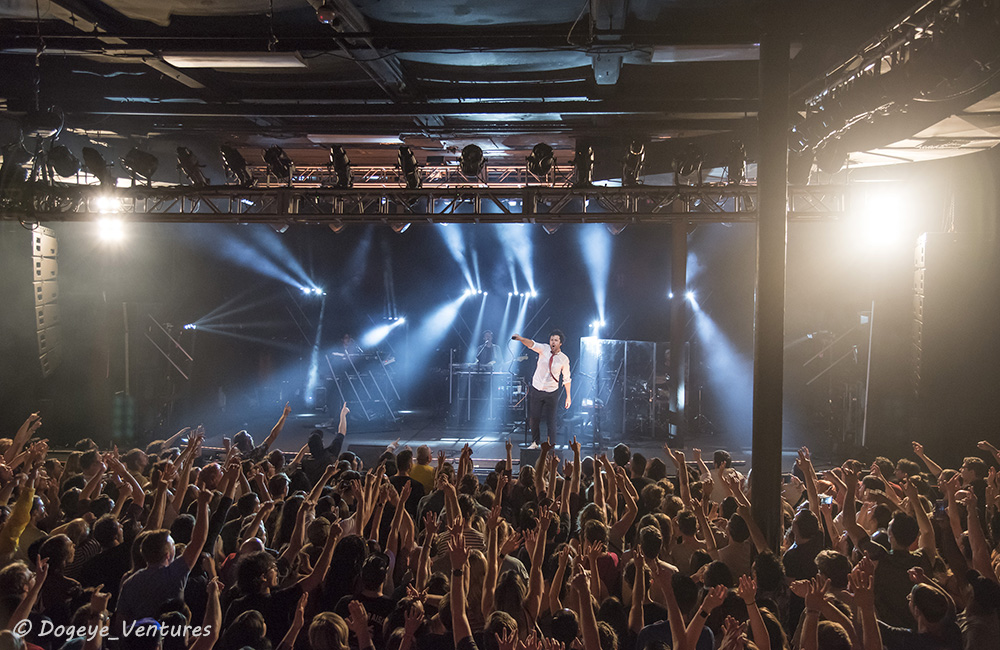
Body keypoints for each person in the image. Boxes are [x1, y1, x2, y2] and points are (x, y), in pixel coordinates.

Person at [512, 330, 572, 449]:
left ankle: (551, 445)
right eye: (551, 339)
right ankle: (535, 442)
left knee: (551, 420)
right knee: (534, 418)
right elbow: (531, 344)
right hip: (537, 388)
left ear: (560, 343)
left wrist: (568, 396)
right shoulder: (544, 349)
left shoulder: (564, 359)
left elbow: (567, 378)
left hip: (552, 391)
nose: (553, 342)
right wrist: (520, 338)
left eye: (556, 340)